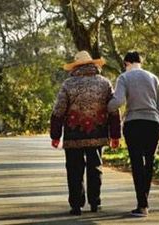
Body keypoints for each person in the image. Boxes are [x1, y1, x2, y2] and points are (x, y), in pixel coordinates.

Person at [50, 50, 121, 216]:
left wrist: (55, 135)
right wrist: (115, 135)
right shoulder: (104, 83)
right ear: (93, 64)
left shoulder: (68, 84)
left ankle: (76, 205)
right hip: (97, 132)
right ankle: (95, 203)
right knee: (95, 168)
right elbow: (113, 110)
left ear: (76, 66)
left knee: (74, 169)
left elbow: (59, 110)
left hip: (74, 133)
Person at [108, 51, 159, 217]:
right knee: (149, 162)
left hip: (134, 124)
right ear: (141, 62)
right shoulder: (153, 78)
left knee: (137, 162)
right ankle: (144, 202)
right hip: (154, 124)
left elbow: (119, 101)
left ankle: (142, 205)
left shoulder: (124, 77)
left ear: (126, 63)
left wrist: (105, 107)